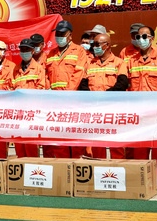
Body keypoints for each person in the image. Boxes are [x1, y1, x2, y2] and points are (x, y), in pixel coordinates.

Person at [128, 25, 157, 187]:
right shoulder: (132, 61)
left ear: (152, 39)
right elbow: (128, 87)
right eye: (138, 37)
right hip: (138, 111)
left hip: (156, 110)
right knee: (139, 145)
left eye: (144, 37)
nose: (141, 40)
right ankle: (140, 174)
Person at [43, 20, 90, 158]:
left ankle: (76, 162)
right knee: (59, 135)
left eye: (62, 34)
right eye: (57, 33)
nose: (59, 36)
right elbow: (45, 74)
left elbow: (78, 73)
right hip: (54, 102)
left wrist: (67, 94)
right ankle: (62, 164)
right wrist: (49, 89)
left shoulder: (79, 51)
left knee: (74, 134)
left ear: (70, 35)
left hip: (72, 100)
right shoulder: (50, 53)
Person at [79, 32, 129, 160]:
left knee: (115, 140)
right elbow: (83, 84)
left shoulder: (119, 62)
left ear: (107, 45)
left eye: (97, 44)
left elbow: (122, 84)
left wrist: (105, 97)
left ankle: (118, 165)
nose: (94, 47)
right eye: (93, 44)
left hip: (113, 108)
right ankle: (98, 164)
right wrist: (91, 98)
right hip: (95, 109)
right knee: (97, 139)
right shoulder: (90, 63)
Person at [10, 38, 48, 158]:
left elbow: (41, 89)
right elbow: (10, 87)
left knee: (31, 145)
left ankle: (32, 167)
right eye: (22, 49)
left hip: (32, 113)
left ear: (32, 51)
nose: (24, 52)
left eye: (27, 49)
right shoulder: (15, 69)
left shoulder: (38, 69)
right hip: (18, 113)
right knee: (19, 145)